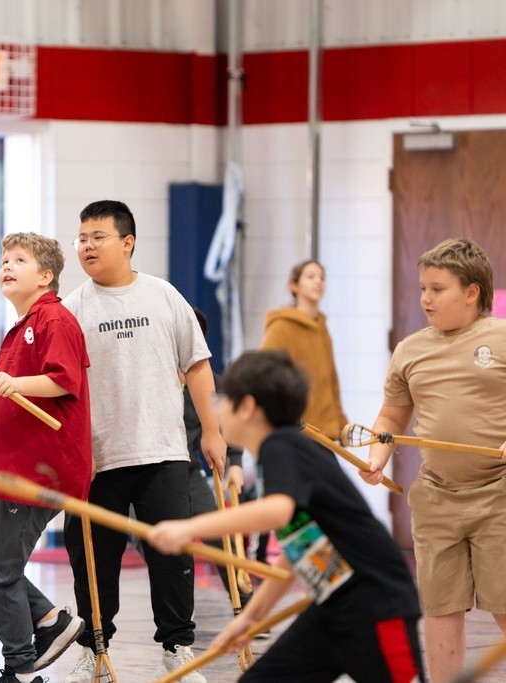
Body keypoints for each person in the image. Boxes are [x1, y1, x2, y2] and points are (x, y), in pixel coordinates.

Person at [148, 350, 425, 682]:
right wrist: (250, 619)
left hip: (379, 607)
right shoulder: (278, 454)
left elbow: (279, 511)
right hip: (334, 607)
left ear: (247, 407)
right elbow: (302, 555)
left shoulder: (283, 446)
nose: (217, 408)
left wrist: (188, 528)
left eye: (224, 399)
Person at [60, 200, 227, 683]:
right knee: (92, 559)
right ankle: (95, 653)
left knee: (172, 555)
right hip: (96, 459)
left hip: (163, 451)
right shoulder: (71, 309)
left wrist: (212, 431)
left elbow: (197, 365)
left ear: (128, 243)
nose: (87, 246)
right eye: (82, 238)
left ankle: (177, 650)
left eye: (98, 237)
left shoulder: (164, 296)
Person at [360, 237, 506, 683]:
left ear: (471, 292)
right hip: (437, 498)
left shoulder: (500, 337)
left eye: (437, 289)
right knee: (441, 612)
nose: (425, 298)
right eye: (423, 288)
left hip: (499, 495)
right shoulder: (409, 350)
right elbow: (391, 417)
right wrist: (378, 455)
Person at [0, 232, 91, 683]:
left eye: (20, 259)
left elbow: (63, 380)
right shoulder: (22, 324)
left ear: (46, 276)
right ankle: (50, 619)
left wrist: (15, 382)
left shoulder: (54, 320)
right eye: (4, 259)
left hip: (34, 469)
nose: (7, 266)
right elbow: (22, 382)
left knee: (3, 569)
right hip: (6, 466)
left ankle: (21, 670)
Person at [184, 308, 255, 614]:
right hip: (149, 469)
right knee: (156, 547)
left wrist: (236, 463)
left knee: (219, 537)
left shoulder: (214, 382)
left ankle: (246, 607)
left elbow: (230, 428)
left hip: (187, 471)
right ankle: (178, 617)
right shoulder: (153, 378)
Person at [260, 259, 348, 441]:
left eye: (321, 277)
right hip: (297, 432)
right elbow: (264, 374)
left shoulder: (322, 328)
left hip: (326, 434)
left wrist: (341, 423)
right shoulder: (281, 326)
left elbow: (331, 381)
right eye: (310, 277)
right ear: (294, 285)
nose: (318, 281)